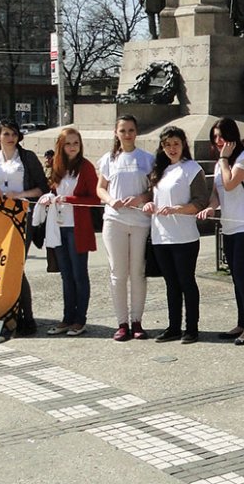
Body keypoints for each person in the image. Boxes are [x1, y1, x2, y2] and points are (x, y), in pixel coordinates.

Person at [0, 119, 49, 337]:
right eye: (6, 134)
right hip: (0, 218)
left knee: (16, 266)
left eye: (13, 134)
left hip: (23, 215)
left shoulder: (27, 158)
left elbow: (42, 188)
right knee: (2, 267)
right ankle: (9, 313)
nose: (10, 138)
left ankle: (28, 317)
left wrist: (18, 195)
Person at [199, 117, 244, 345]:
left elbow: (229, 184)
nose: (218, 141)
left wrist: (225, 159)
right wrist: (210, 207)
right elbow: (218, 192)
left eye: (222, 136)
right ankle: (241, 322)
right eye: (214, 137)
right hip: (229, 226)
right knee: (236, 277)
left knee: (243, 276)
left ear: (232, 136)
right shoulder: (221, 163)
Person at [144, 126, 208, 344]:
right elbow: (156, 197)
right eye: (167, 145)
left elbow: (201, 202)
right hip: (161, 236)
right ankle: (173, 326)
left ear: (183, 145)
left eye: (176, 144)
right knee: (171, 283)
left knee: (186, 282)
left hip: (184, 237)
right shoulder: (159, 170)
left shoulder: (191, 168)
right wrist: (151, 204)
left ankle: (192, 328)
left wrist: (177, 209)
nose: (172, 148)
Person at [96, 114, 154, 341]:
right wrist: (111, 200)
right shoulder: (108, 159)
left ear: (136, 132)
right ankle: (121, 323)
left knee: (138, 272)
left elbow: (153, 189)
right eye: (123, 130)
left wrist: (141, 198)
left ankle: (137, 321)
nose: (127, 134)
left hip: (140, 221)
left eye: (131, 130)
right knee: (118, 274)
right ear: (116, 133)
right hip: (114, 220)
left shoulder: (147, 158)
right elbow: (100, 188)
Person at [40, 128, 99, 337]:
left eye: (76, 143)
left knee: (78, 274)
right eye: (68, 144)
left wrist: (70, 200)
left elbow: (95, 199)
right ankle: (67, 318)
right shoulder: (57, 166)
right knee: (65, 275)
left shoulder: (86, 167)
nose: (72, 147)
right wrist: (50, 196)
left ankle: (79, 319)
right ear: (61, 146)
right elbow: (54, 191)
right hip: (58, 226)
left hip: (77, 227)